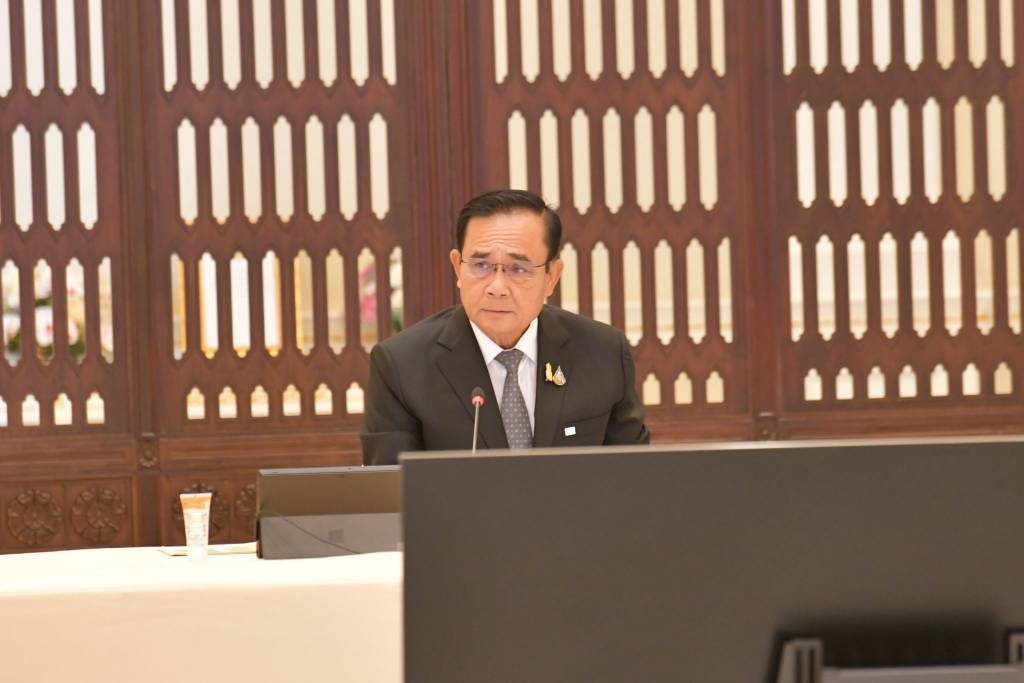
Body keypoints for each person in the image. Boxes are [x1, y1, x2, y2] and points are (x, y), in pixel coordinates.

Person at [360, 189, 650, 465]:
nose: (497, 287)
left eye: (518, 269)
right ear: (457, 267)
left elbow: (634, 477)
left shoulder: (603, 353)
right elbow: (393, 490)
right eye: (481, 265)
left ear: (552, 276)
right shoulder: (402, 365)